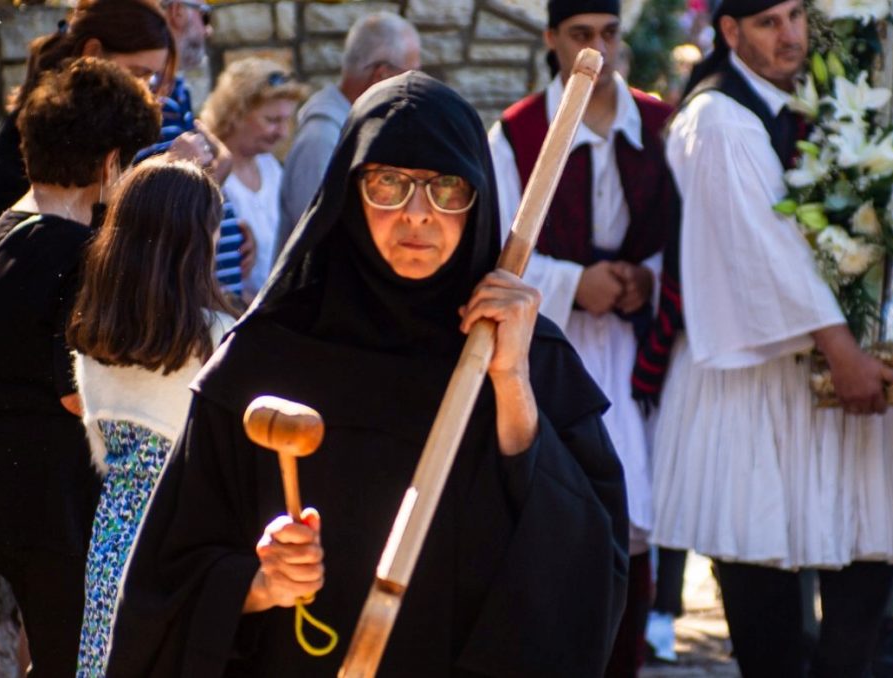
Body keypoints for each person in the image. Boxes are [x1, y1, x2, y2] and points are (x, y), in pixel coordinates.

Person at [105, 71, 629, 677]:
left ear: (478, 199)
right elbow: (162, 589)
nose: (417, 215)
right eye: (388, 184)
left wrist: (511, 382)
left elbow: (589, 560)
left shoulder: (523, 350)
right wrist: (258, 583)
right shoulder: (267, 357)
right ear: (349, 194)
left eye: (446, 188)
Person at [652, 0, 893, 675]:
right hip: (756, 390)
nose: (790, 34)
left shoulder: (822, 102)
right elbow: (764, 253)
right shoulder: (719, 119)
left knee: (858, 619)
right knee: (768, 631)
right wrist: (844, 351)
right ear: (730, 31)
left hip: (832, 390)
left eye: (796, 14)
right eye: (768, 22)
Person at [488, 0, 680, 673]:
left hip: (635, 351)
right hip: (549, 348)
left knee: (633, 515)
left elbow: (686, 239)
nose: (596, 50)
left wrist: (645, 281)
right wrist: (577, 283)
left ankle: (625, 656)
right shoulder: (516, 133)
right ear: (550, 39)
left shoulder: (658, 123)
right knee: (562, 509)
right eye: (579, 36)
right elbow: (500, 251)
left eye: (607, 34)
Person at [0, 58, 160, 676]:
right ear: (108, 163)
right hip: (50, 499)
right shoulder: (74, 254)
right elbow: (79, 396)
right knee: (78, 661)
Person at [68, 159, 236, 676]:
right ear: (192, 242)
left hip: (113, 534)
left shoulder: (92, 339)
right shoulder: (216, 341)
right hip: (180, 548)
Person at [0, 0, 176, 229]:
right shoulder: (44, 126)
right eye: (136, 73)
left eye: (150, 78)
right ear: (93, 52)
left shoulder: (108, 129)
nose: (145, 90)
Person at [276, 12, 421, 250]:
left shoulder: (356, 128)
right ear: (382, 75)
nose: (414, 87)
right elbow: (319, 236)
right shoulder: (322, 138)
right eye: (411, 75)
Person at [201, 58, 309, 301]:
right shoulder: (210, 169)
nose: (282, 132)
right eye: (272, 120)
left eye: (286, 120)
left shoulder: (270, 167)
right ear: (235, 113)